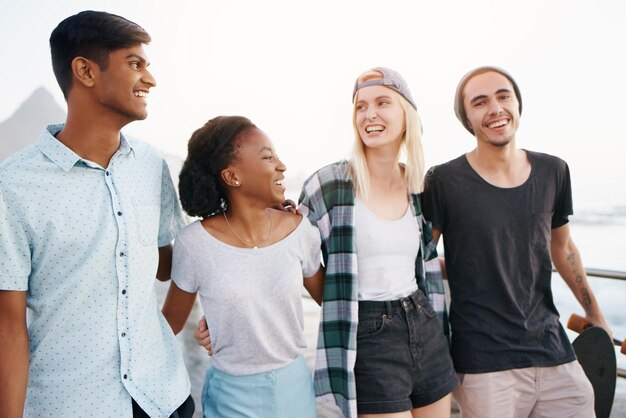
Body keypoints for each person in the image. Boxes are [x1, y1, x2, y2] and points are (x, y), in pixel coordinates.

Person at [0, 11, 193, 418]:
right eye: (135, 64)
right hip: (72, 405)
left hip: (164, 397)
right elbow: (8, 327)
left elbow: (169, 266)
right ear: (85, 71)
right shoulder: (13, 185)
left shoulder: (151, 165)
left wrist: (247, 220)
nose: (151, 80)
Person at [421, 66, 612, 418]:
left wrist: (595, 314)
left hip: (553, 348)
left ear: (518, 105)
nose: (495, 108)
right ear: (467, 119)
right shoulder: (443, 181)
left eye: (503, 96)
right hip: (484, 361)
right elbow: (422, 260)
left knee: (584, 402)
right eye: (480, 102)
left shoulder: (554, 170)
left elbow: (563, 248)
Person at [297, 67, 458, 418]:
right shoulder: (328, 185)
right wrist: (339, 304)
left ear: (406, 114)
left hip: (424, 322)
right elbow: (292, 257)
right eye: (361, 106)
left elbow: (425, 261)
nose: (369, 114)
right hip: (368, 334)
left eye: (383, 102)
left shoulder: (419, 187)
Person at [161, 115, 325, 418]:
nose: (281, 165)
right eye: (267, 157)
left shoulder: (301, 231)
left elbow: (332, 301)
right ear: (232, 176)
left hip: (295, 389)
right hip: (230, 396)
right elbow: (166, 327)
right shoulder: (193, 243)